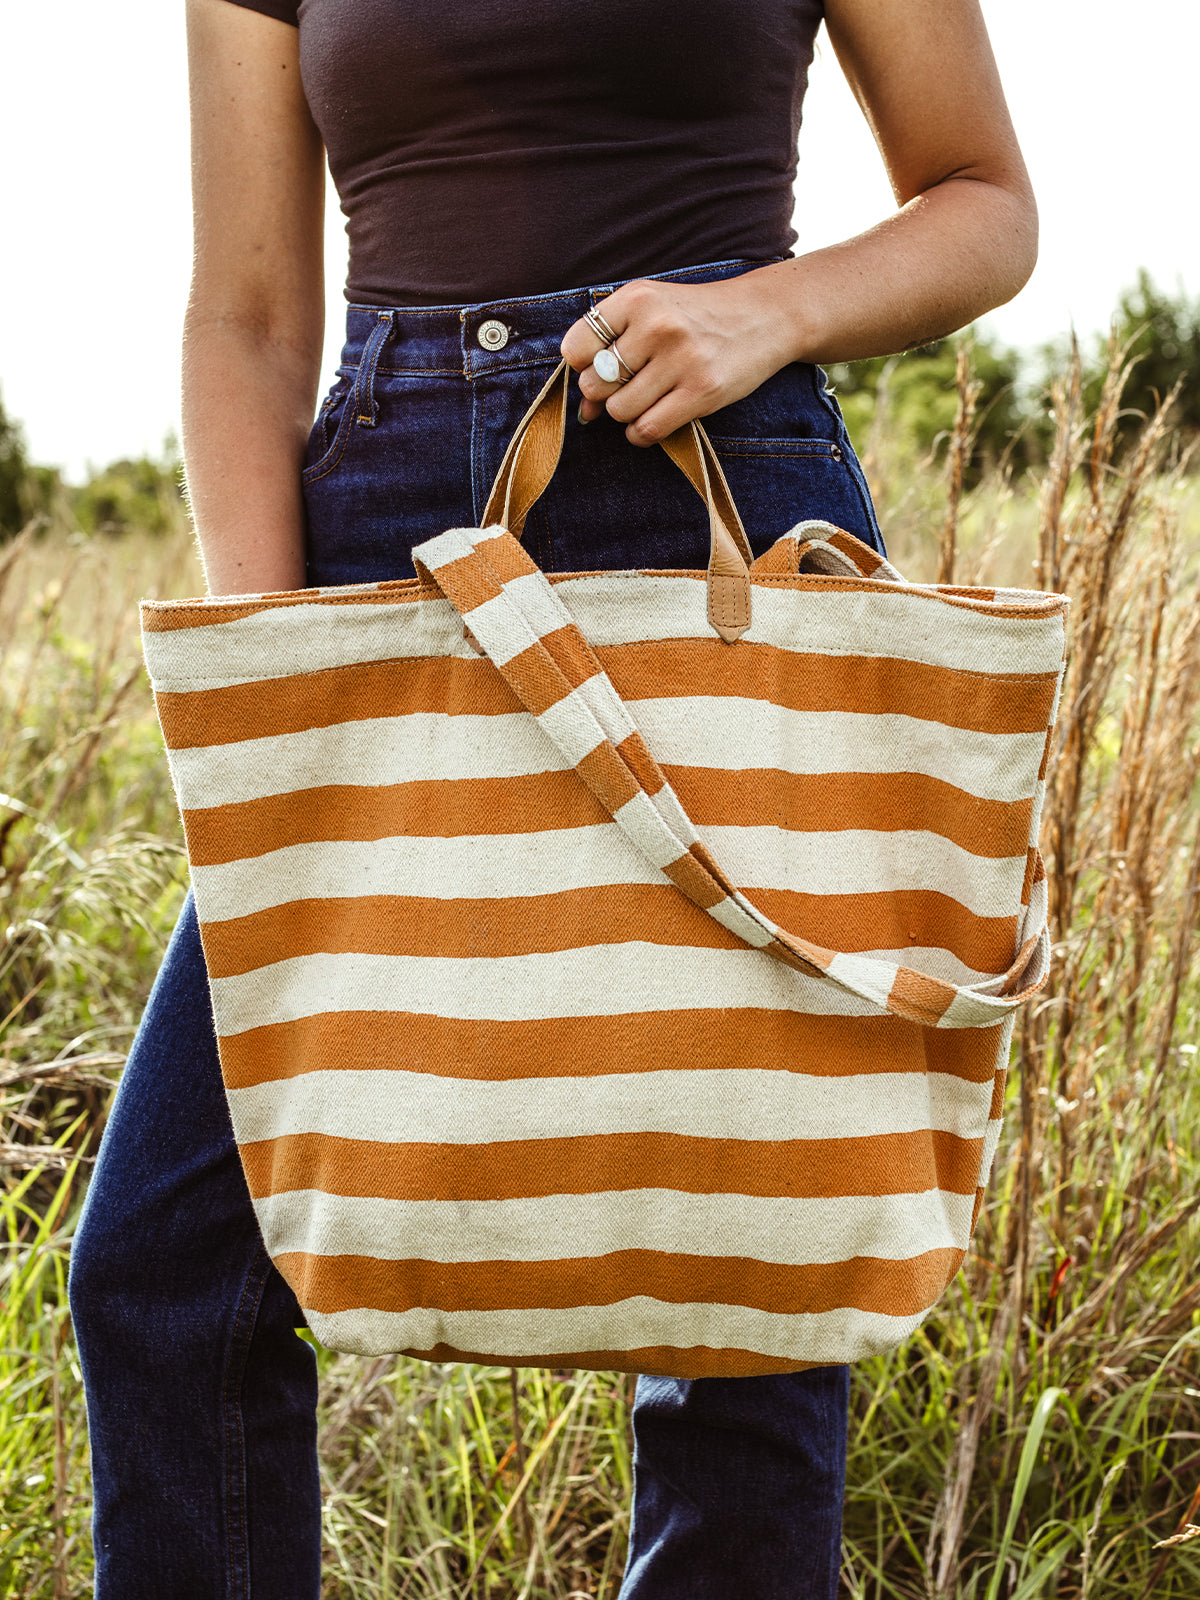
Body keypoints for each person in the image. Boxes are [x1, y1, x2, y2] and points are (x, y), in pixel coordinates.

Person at [68, 2, 1037, 1595]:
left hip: (716, 491)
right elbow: (242, 312)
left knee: (755, 1271)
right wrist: (274, 676)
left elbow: (985, 198)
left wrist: (766, 315)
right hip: (385, 544)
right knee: (172, 1268)